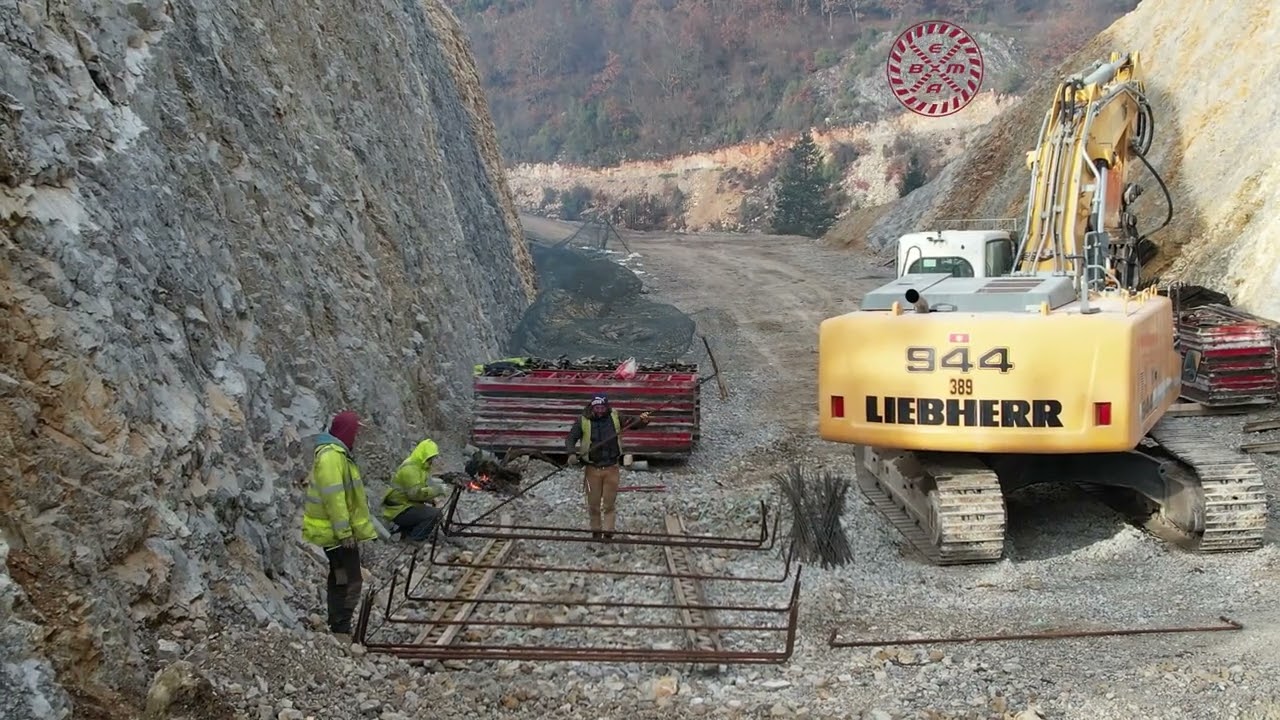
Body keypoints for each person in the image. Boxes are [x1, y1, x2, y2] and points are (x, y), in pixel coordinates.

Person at [301, 410, 377, 640]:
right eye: (355, 432)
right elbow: (335, 499)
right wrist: (344, 532)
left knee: (341, 576)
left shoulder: (337, 454)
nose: (357, 437)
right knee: (351, 580)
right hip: (335, 533)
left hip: (333, 531)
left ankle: (338, 624)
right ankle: (341, 627)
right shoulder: (332, 457)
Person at [564, 395, 651, 540]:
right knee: (593, 504)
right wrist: (571, 453)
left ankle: (608, 531)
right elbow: (570, 438)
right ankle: (596, 531)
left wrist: (643, 421)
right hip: (592, 469)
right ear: (592, 407)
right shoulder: (583, 420)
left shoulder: (616, 416)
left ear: (606, 407)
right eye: (597, 408)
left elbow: (633, 423)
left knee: (609, 504)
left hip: (612, 468)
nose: (599, 411)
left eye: (602, 408)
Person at [382, 439, 448, 542]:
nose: (432, 460)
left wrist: (431, 499)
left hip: (404, 505)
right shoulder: (411, 469)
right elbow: (415, 494)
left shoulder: (420, 467)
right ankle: (415, 539)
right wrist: (437, 490)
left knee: (429, 512)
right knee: (434, 514)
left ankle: (406, 532)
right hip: (398, 510)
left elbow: (421, 488)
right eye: (431, 458)